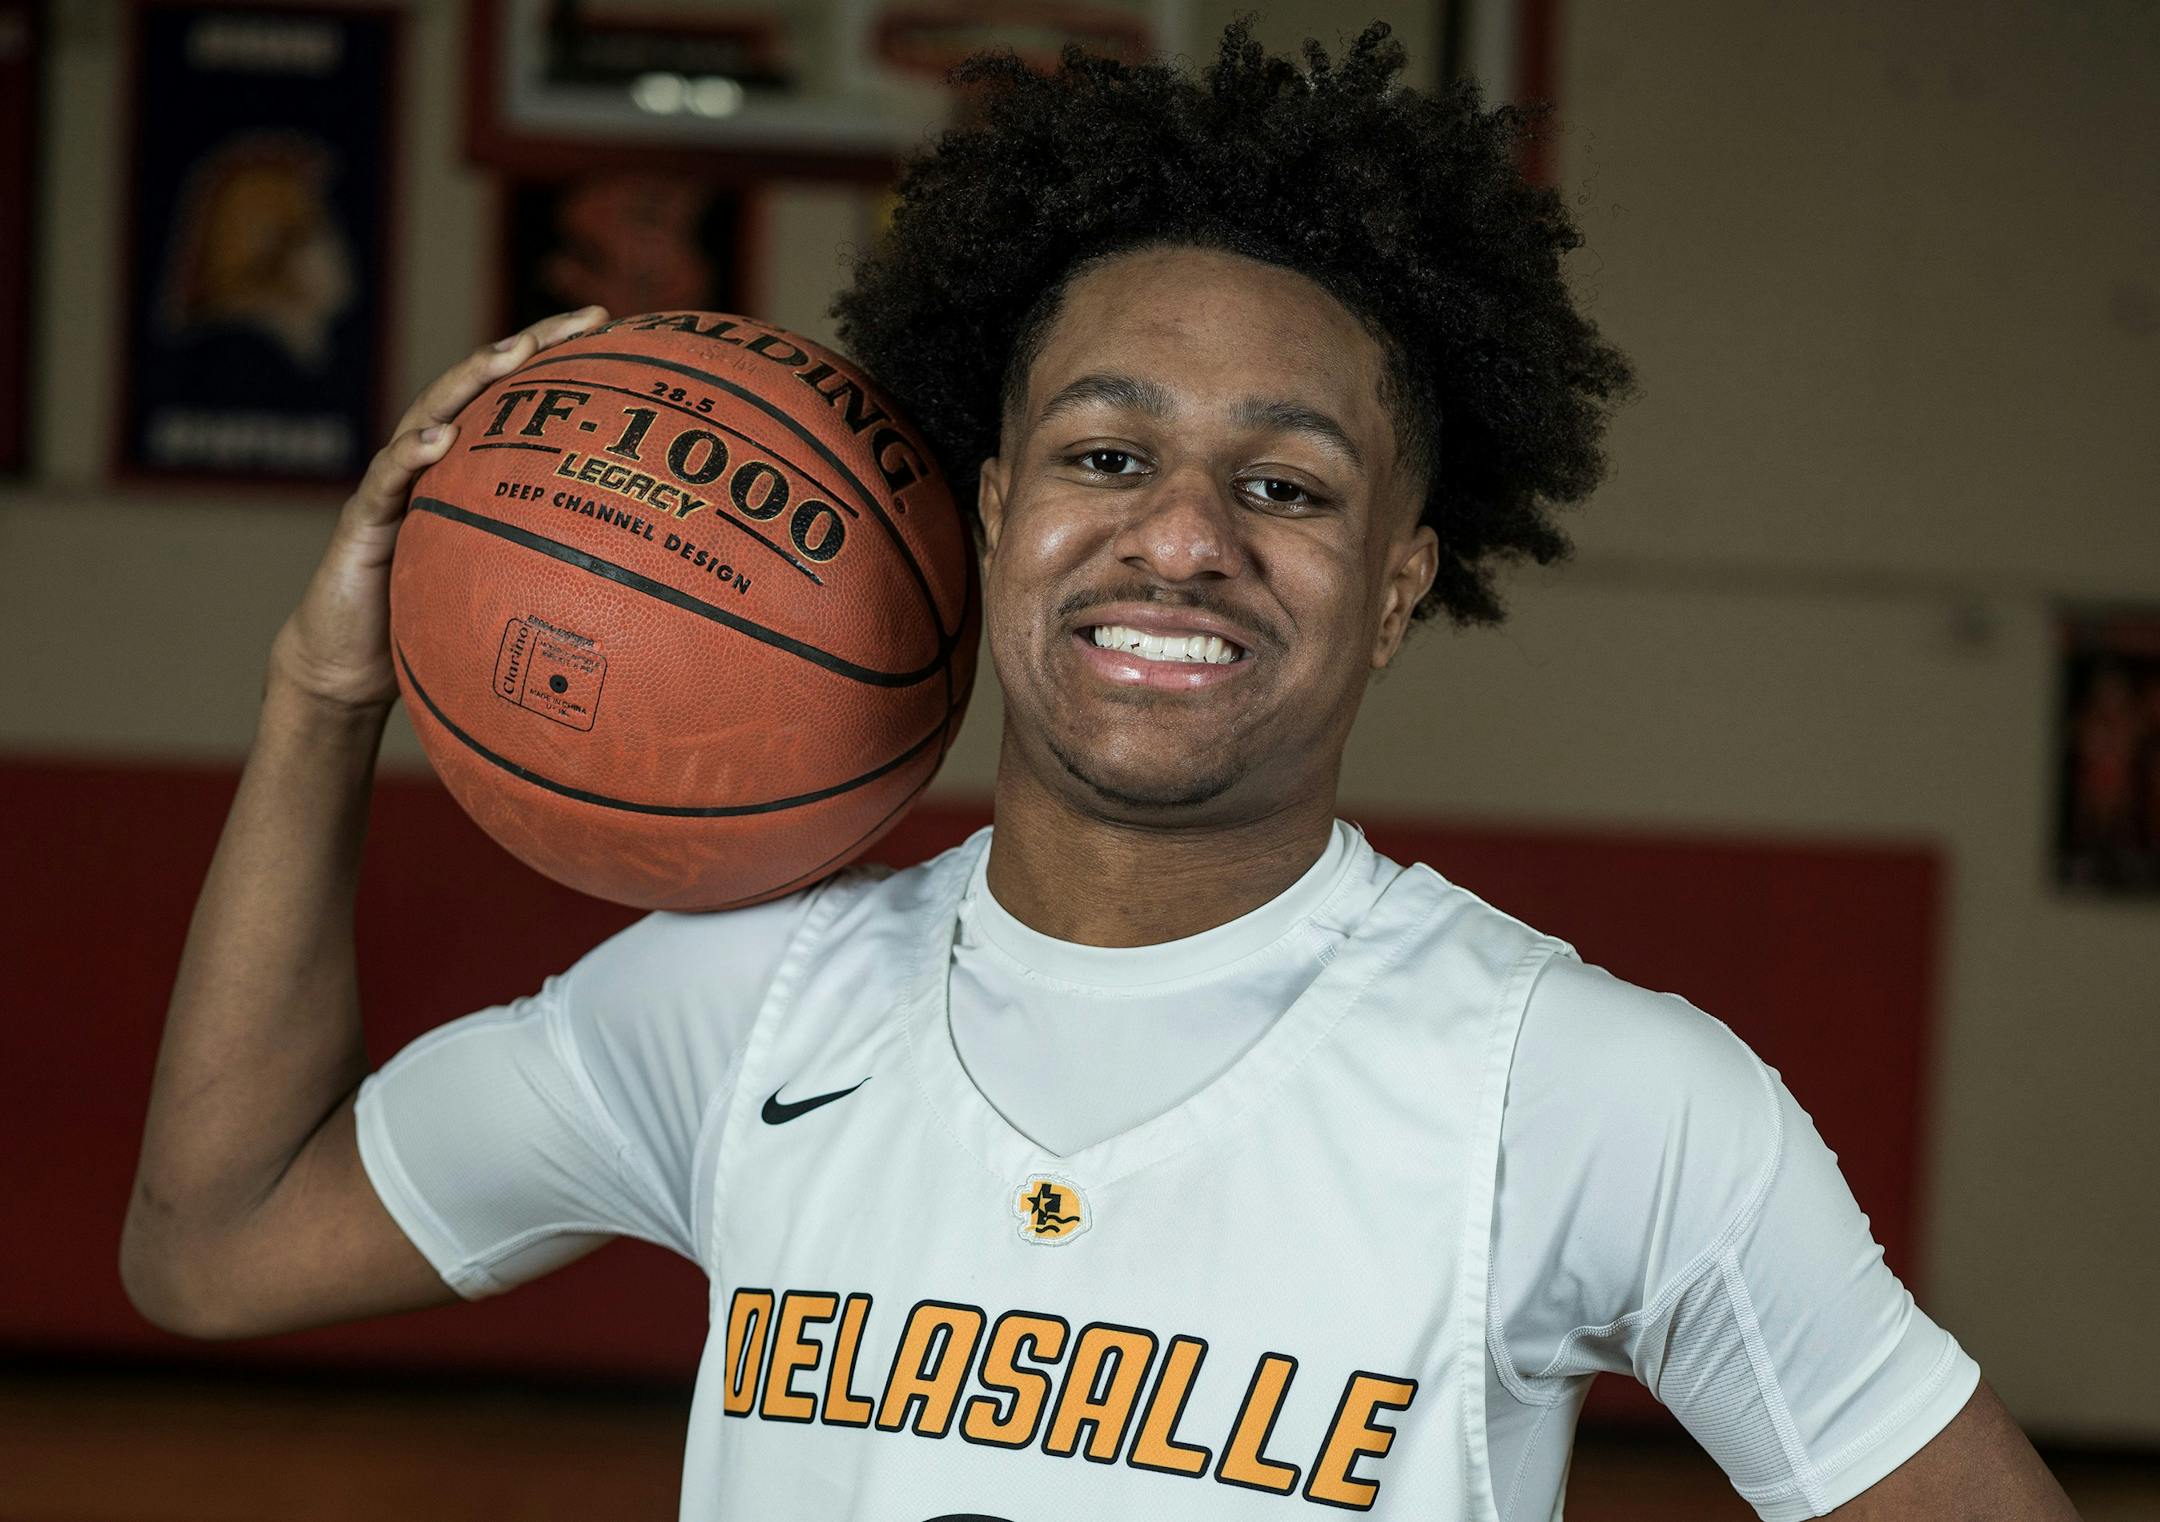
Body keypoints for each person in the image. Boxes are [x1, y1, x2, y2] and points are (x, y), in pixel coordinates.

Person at [122, 23, 2080, 1521]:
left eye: (1288, 483)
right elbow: (210, 1250)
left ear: (1399, 585)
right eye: (1106, 451)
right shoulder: (736, 998)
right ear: (988, 511)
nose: (1184, 534)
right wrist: (324, 694)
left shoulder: (1598, 1097)